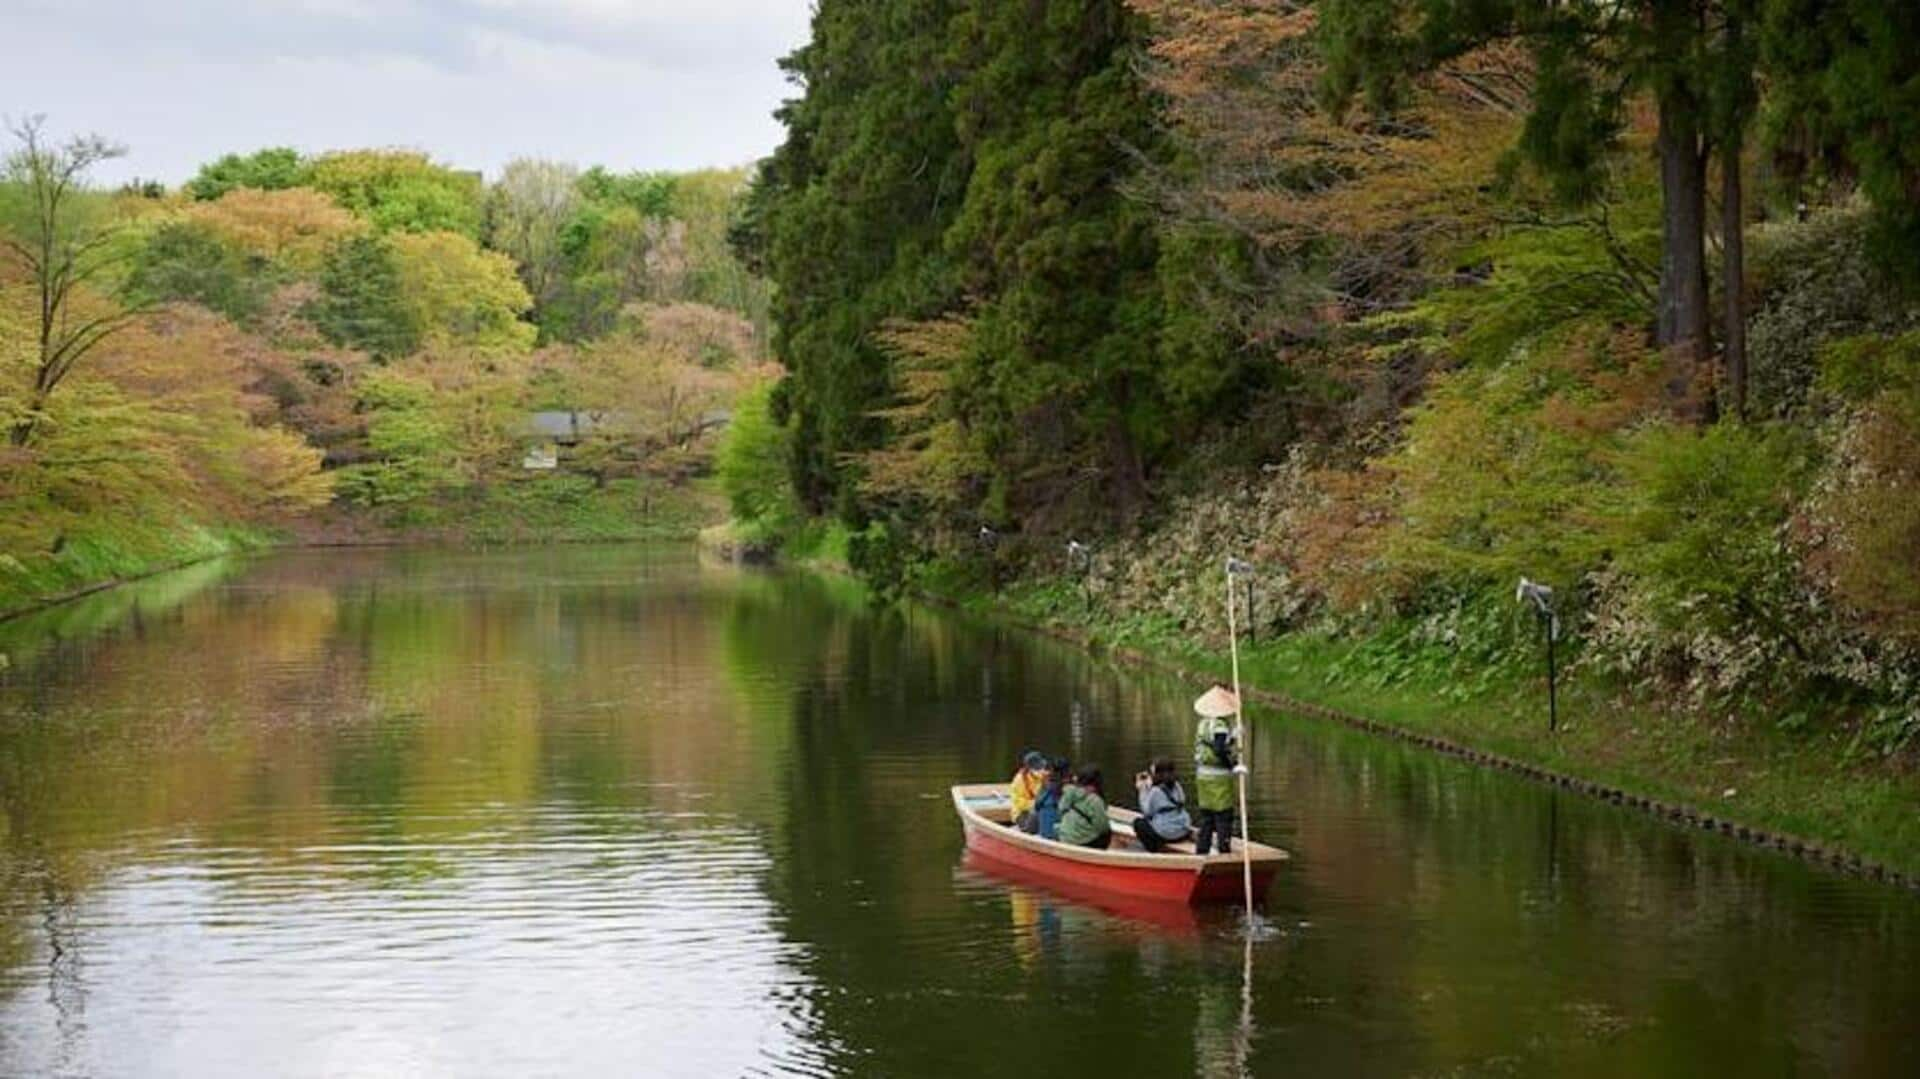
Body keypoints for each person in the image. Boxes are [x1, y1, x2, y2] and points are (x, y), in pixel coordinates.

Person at [1192, 682, 1242, 855]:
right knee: (1223, 817)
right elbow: (1219, 749)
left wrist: (1233, 738)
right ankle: (1224, 850)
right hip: (1219, 779)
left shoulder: (1203, 724)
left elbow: (1212, 744)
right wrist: (1233, 765)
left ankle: (1202, 851)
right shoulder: (1220, 724)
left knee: (1206, 818)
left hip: (1203, 778)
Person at [1132, 757, 1192, 853]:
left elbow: (1146, 811)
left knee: (1138, 823)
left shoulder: (1155, 791)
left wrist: (1142, 790)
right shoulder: (1177, 785)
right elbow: (1182, 800)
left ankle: (1153, 850)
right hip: (1183, 831)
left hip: (1166, 834)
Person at [1056, 765, 1112, 850]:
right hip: (1081, 842)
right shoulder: (1095, 801)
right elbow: (1103, 827)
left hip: (1064, 837)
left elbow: (1061, 810)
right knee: (1107, 833)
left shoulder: (1069, 791)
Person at [1028, 756, 1069, 838]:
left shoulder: (1045, 785)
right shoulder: (1069, 788)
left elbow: (1036, 808)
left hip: (1044, 833)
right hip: (1057, 836)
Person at [1008, 750, 1048, 831]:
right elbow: (1019, 803)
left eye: (1042, 767)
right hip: (1022, 812)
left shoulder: (1045, 777)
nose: (1041, 771)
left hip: (1040, 809)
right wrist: (1036, 804)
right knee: (1033, 825)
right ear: (1029, 769)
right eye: (1037, 769)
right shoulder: (1019, 780)